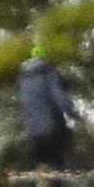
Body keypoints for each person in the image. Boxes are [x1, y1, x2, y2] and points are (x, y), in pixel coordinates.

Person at [19, 42, 80, 171]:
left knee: (43, 166)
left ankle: (43, 185)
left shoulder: (23, 79)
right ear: (45, 58)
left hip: (33, 132)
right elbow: (61, 99)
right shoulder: (49, 74)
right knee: (60, 162)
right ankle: (74, 172)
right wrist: (74, 115)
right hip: (52, 128)